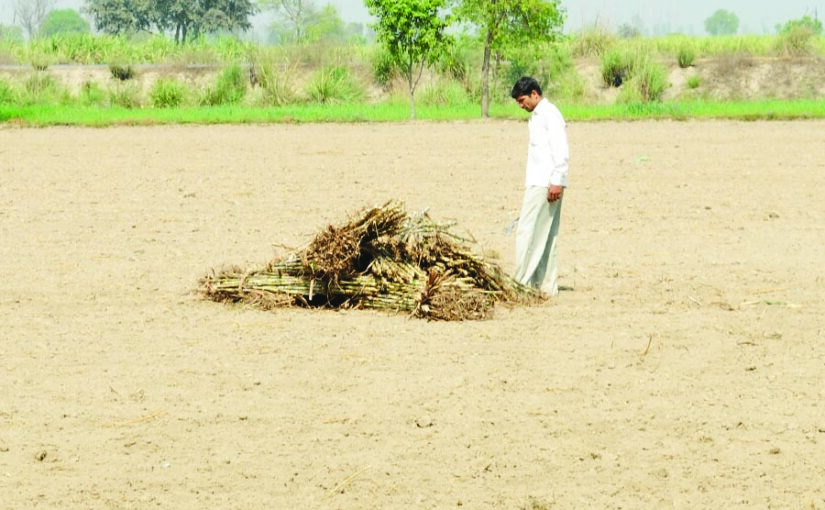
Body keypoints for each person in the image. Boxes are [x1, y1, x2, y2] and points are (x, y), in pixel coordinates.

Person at [510, 76, 569, 296]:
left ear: (535, 94)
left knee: (529, 232)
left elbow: (560, 148)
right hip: (540, 181)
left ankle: (522, 284)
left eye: (522, 99)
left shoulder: (549, 114)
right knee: (544, 235)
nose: (520, 105)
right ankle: (544, 286)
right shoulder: (536, 117)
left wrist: (557, 180)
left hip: (546, 184)